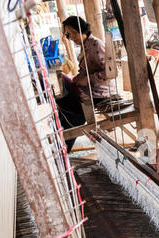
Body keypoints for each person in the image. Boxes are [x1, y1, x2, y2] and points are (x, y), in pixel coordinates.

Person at [56, 16, 116, 152]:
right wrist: (79, 78)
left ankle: (65, 147)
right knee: (62, 96)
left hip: (101, 93)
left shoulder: (97, 44)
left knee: (74, 110)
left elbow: (111, 72)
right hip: (89, 89)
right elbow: (87, 70)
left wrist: (88, 79)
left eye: (73, 33)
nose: (72, 37)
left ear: (81, 29)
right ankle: (61, 139)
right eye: (68, 35)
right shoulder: (85, 46)